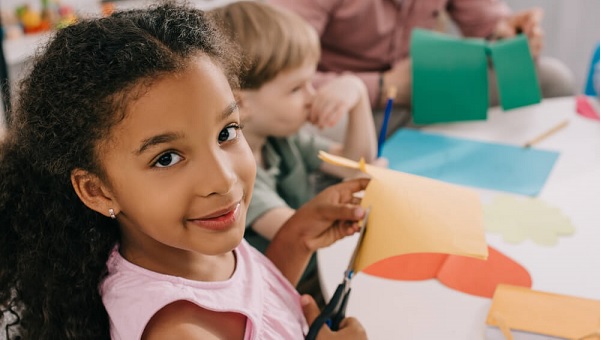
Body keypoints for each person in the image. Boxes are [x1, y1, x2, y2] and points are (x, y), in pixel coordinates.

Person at [0, 3, 369, 339]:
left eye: (226, 133)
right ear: (97, 191)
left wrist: (297, 236)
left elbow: (254, 305)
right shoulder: (179, 331)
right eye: (166, 158)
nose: (223, 179)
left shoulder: (191, 243)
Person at [208, 1, 380, 306]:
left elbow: (356, 166)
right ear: (241, 104)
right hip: (291, 296)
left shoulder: (282, 139)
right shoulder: (234, 177)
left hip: (322, 274)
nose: (312, 97)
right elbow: (305, 230)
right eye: (297, 88)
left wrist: (358, 95)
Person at [268, 0, 576, 137]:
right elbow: (272, 79)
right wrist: (382, 85)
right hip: (347, 107)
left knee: (551, 79)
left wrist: (507, 35)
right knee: (295, 120)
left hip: (425, 91)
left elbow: (488, 24)